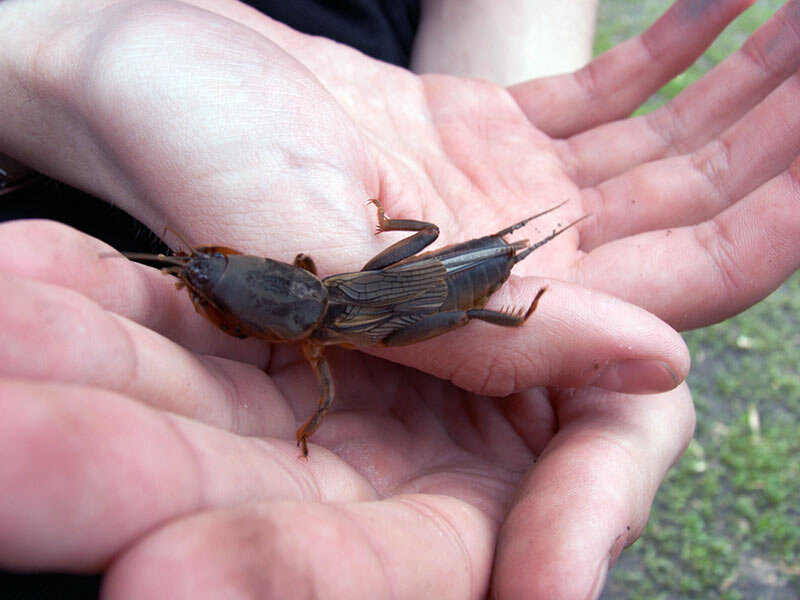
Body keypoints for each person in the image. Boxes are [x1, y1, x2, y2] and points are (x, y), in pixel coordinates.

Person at [0, 0, 797, 598]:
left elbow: (316, 375)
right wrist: (60, 35)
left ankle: (506, 305)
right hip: (392, 265)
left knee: (457, 320)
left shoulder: (311, 337)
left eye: (209, 269)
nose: (205, 269)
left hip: (438, 259)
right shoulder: (308, 274)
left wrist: (488, 86)